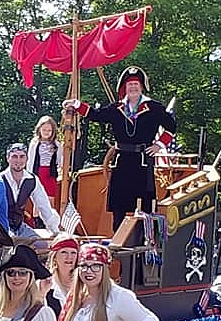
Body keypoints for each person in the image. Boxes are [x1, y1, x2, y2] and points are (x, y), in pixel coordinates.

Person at [63, 66, 177, 232]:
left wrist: (159, 145)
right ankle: (118, 243)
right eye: (130, 84)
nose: (133, 87)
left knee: (144, 208)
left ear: (142, 87)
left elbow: (171, 126)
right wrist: (77, 105)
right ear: (125, 87)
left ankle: (145, 244)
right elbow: (97, 115)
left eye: (136, 84)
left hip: (142, 162)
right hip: (121, 161)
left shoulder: (153, 107)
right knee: (119, 208)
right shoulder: (117, 108)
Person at [1, 143, 61, 239]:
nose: (18, 160)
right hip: (1, 227)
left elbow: (43, 205)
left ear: (26, 158)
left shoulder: (32, 179)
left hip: (19, 226)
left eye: (22, 156)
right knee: (11, 244)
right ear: (8, 158)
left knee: (40, 245)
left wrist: (55, 231)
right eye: (14, 157)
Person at [27, 116, 64, 201]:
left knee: (50, 198)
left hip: (50, 173)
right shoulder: (35, 143)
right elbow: (30, 160)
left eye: (49, 130)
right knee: (38, 199)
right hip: (38, 172)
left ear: (53, 131)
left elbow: (59, 160)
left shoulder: (56, 144)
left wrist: (63, 168)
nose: (46, 132)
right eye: (44, 130)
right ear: (39, 129)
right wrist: (29, 174)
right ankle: (37, 214)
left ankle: (50, 214)